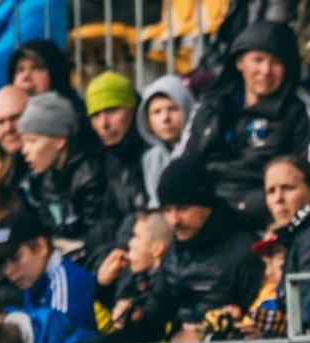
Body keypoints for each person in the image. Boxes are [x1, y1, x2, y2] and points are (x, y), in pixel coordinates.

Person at [180, 20, 310, 228]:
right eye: (258, 60)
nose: (266, 71)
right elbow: (180, 166)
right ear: (240, 62)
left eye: (276, 62)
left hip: (261, 216)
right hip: (206, 214)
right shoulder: (210, 104)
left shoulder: (302, 108)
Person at [142, 156, 266, 342]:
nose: (174, 221)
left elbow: (257, 320)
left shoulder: (245, 251)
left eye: (182, 208)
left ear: (206, 205)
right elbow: (154, 317)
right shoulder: (173, 254)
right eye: (167, 210)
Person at [16, 93, 122, 267]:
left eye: (32, 141)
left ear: (59, 141)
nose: (24, 151)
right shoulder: (46, 180)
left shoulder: (90, 176)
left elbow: (100, 236)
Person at [253, 155, 310, 330]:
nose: (278, 199)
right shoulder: (295, 232)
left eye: (288, 188)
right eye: (271, 191)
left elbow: (307, 308)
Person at [0, 212, 99, 343]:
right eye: (2, 264)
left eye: (15, 258)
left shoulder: (66, 280)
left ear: (41, 246)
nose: (8, 271)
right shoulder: (33, 282)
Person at [103, 211, 175, 343]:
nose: (130, 243)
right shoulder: (135, 277)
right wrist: (104, 285)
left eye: (136, 237)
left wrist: (132, 314)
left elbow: (147, 328)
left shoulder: (170, 283)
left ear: (157, 249)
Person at [85, 71, 146, 215]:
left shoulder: (152, 155)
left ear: (134, 109)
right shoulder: (108, 157)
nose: (103, 124)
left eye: (112, 111)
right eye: (95, 115)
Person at [136, 74, 197, 209]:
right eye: (156, 112)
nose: (165, 118)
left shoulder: (199, 152)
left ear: (187, 108)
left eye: (173, 109)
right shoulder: (151, 158)